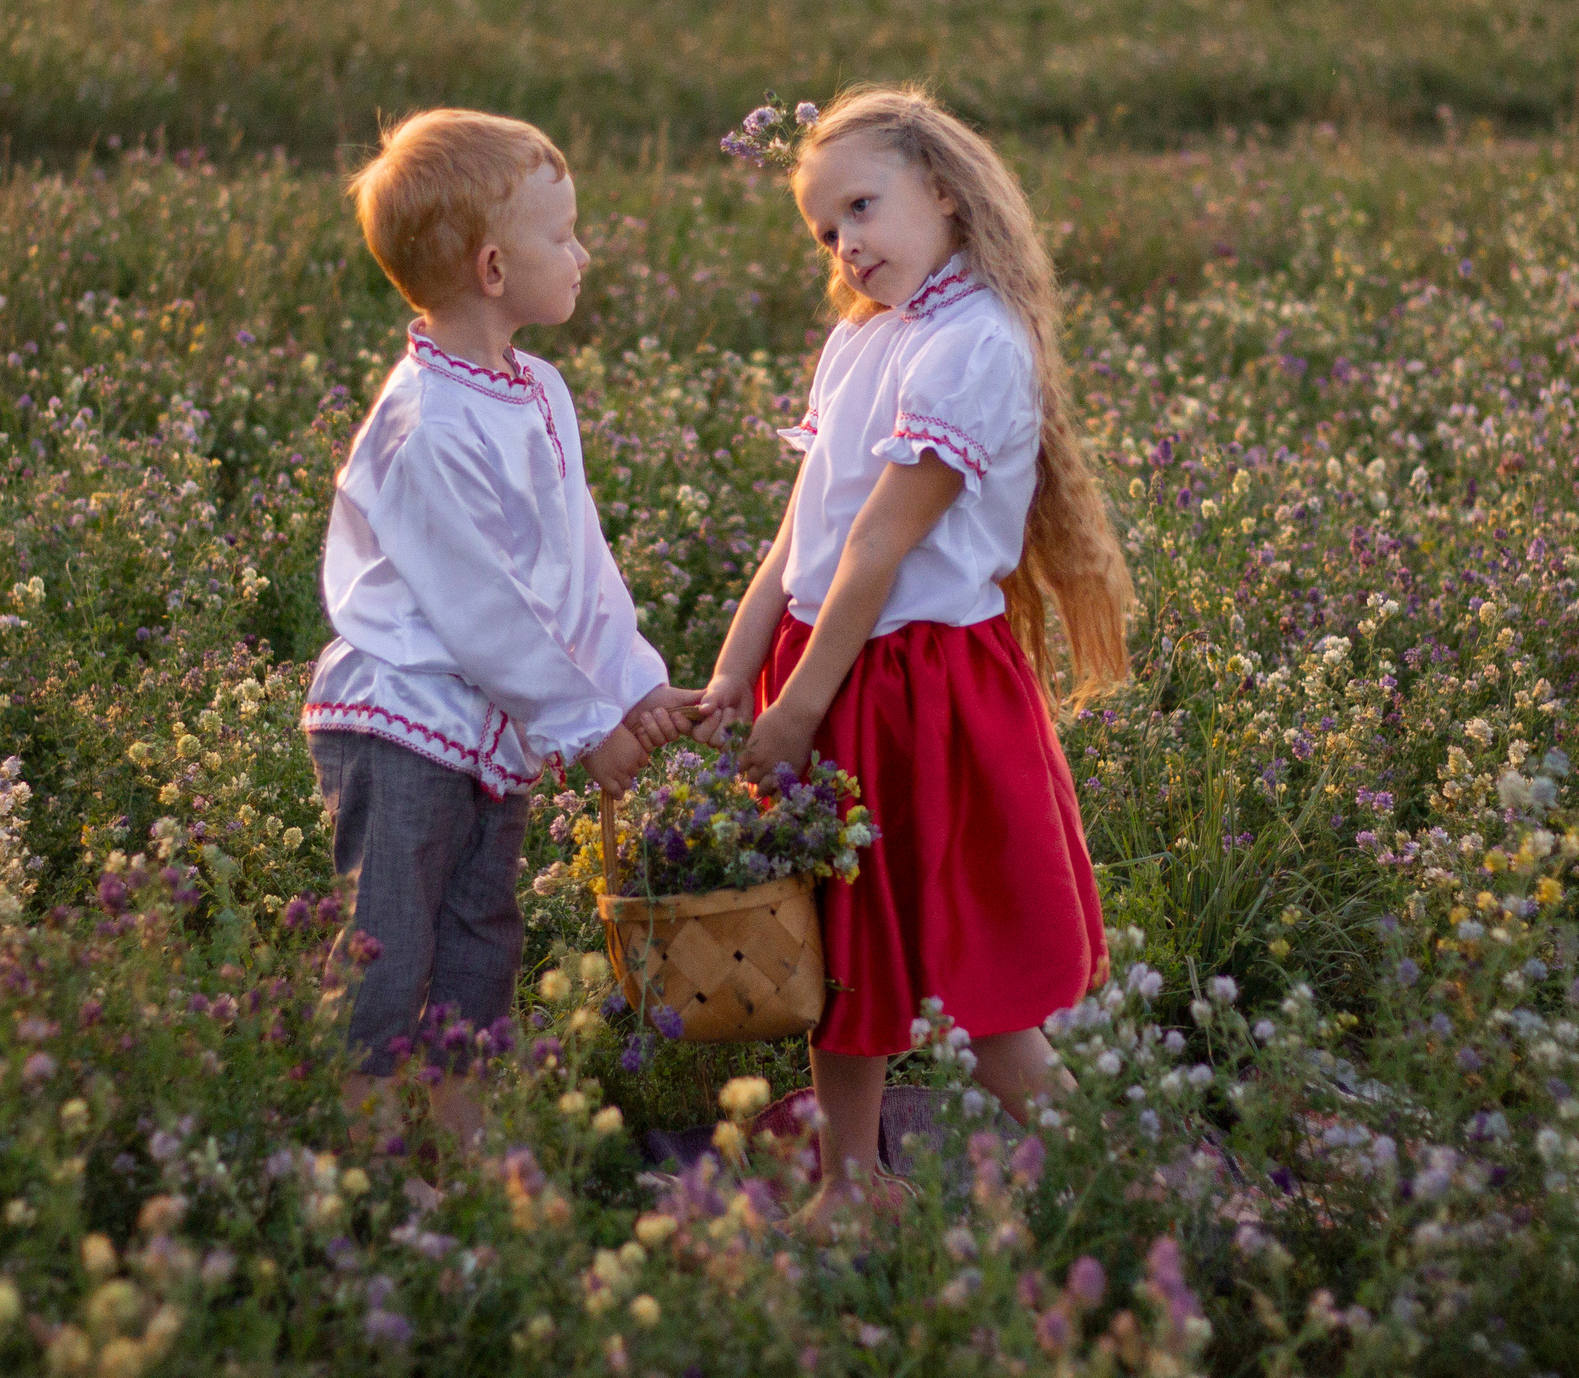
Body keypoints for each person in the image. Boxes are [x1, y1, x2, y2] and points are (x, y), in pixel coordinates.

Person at [697, 85, 1133, 1226]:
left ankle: (1109, 1182)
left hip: (917, 682)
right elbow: (804, 532)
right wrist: (741, 672)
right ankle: (855, 1185)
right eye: (825, 229)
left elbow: (882, 549)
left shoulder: (973, 343)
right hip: (834, 661)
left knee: (965, 965)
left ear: (942, 190)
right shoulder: (862, 337)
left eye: (862, 206)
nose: (846, 243)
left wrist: (796, 706)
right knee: (842, 955)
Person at [307, 108, 696, 1139]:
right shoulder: (427, 425)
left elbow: (579, 566)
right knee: (389, 941)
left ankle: (458, 1137)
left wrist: (634, 686)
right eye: (562, 236)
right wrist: (585, 730)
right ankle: (367, 1151)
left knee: (481, 936)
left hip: (491, 727)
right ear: (491, 268)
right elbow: (488, 614)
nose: (583, 253)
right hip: (400, 723)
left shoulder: (537, 392)